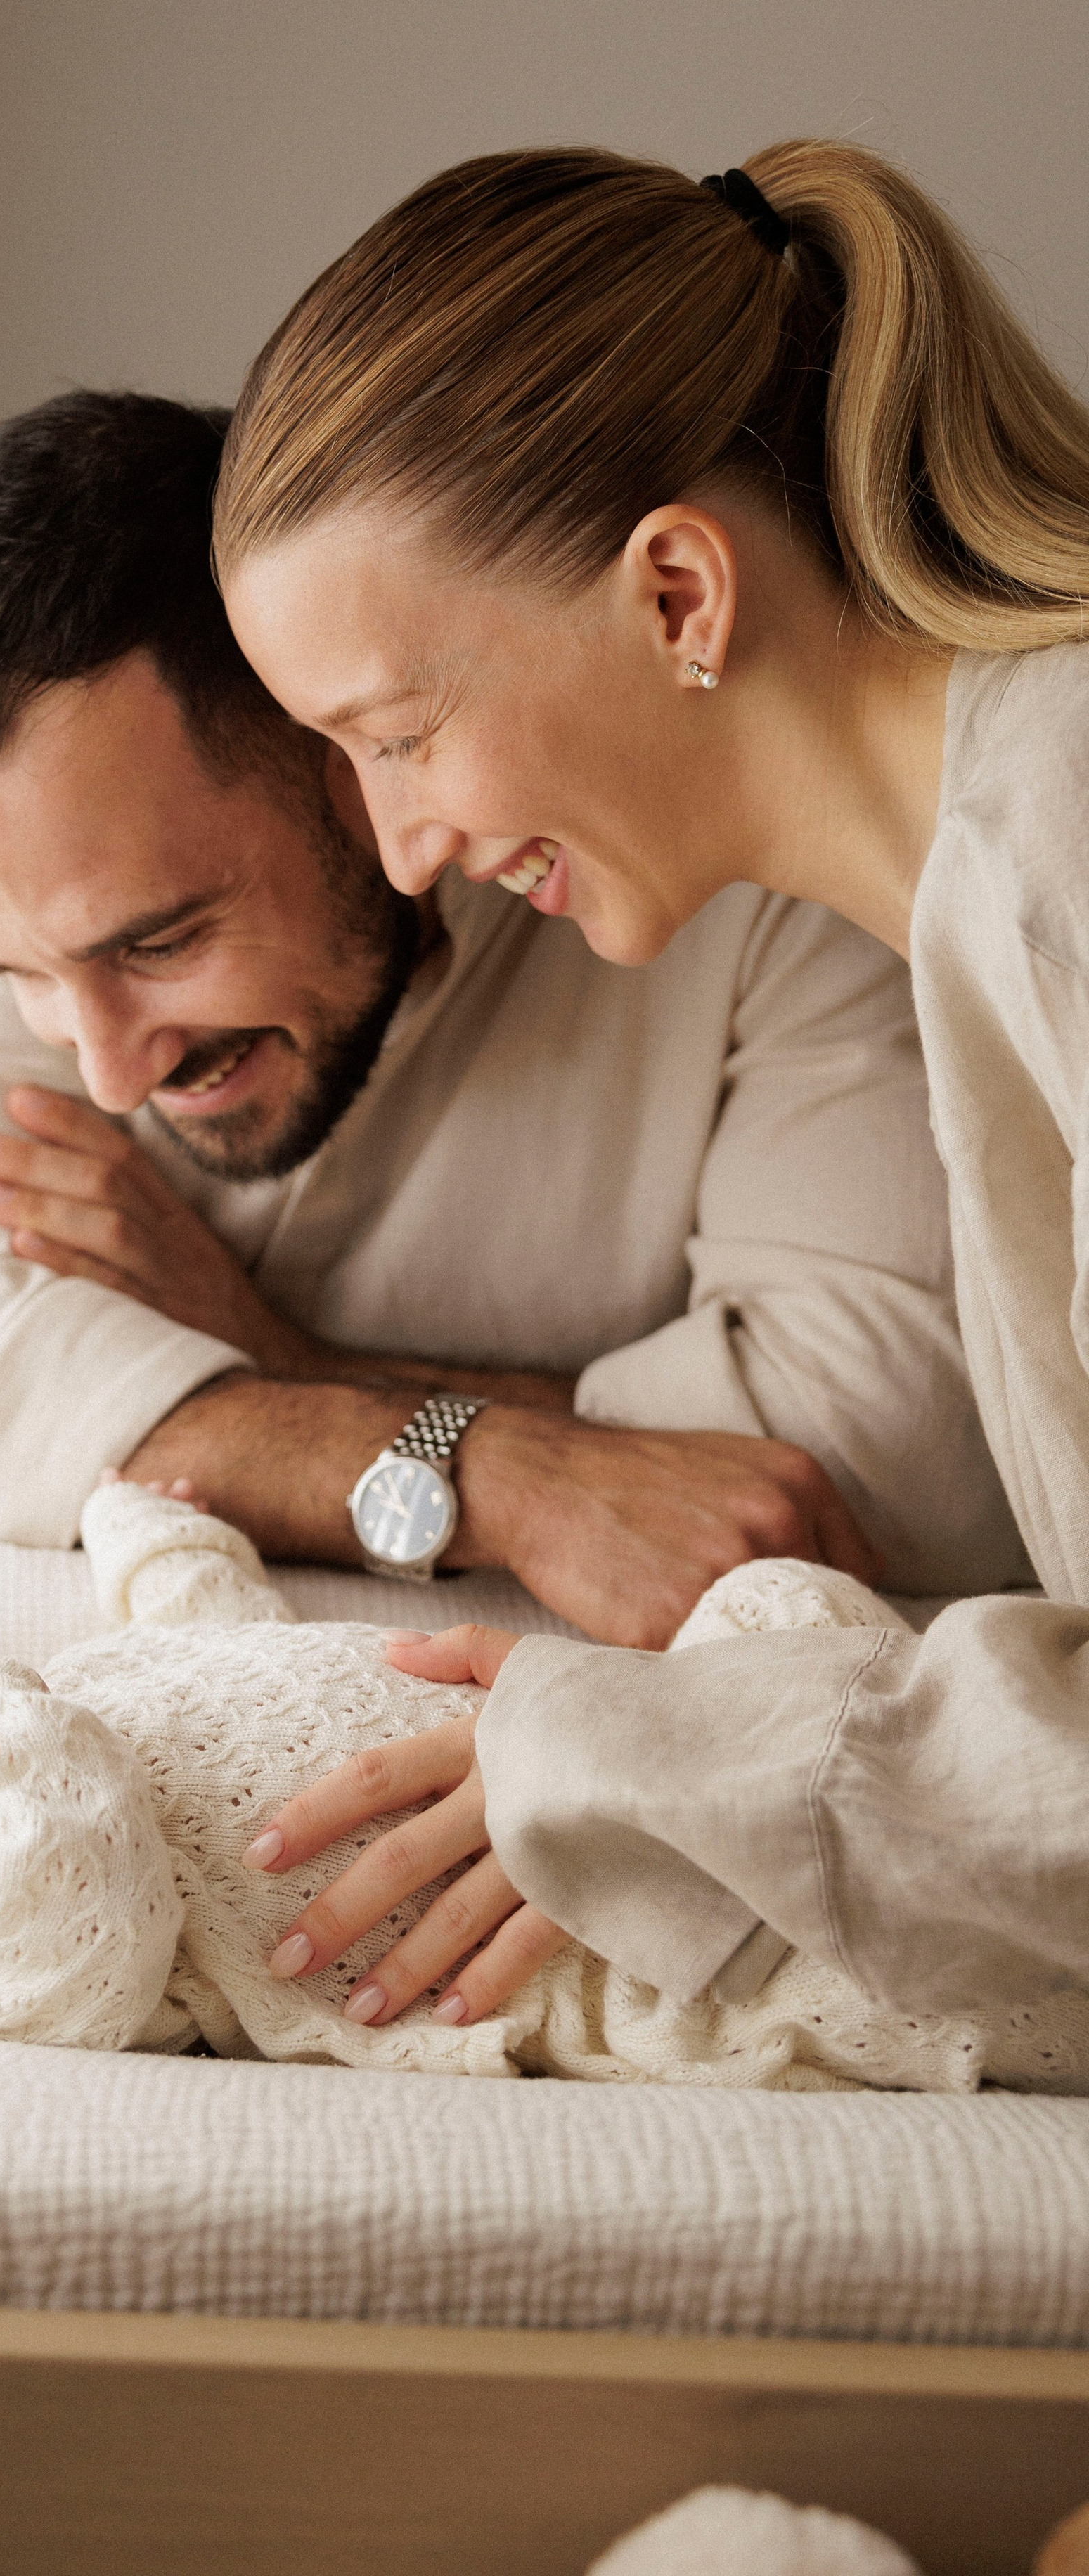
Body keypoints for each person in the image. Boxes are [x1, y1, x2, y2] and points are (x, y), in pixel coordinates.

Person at [208, 137, 1089, 2028]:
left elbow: (846, 1451)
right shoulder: (976, 891)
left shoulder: (1064, 846)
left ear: (680, 592)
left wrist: (640, 1772)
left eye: (402, 737)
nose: (400, 848)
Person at [0, 390, 1019, 1646]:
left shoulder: (727, 835)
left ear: (352, 751)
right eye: (18, 978)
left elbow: (895, 1461)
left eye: (162, 945)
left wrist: (267, 1354)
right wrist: (497, 1476)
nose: (108, 1075)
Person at [0, 1478, 1085, 2092]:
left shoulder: (57, 1708)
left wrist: (157, 1539)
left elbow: (218, 1664)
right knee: (891, 1964)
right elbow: (78, 1899)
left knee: (778, 1619)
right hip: (613, 1941)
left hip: (621, 1755)